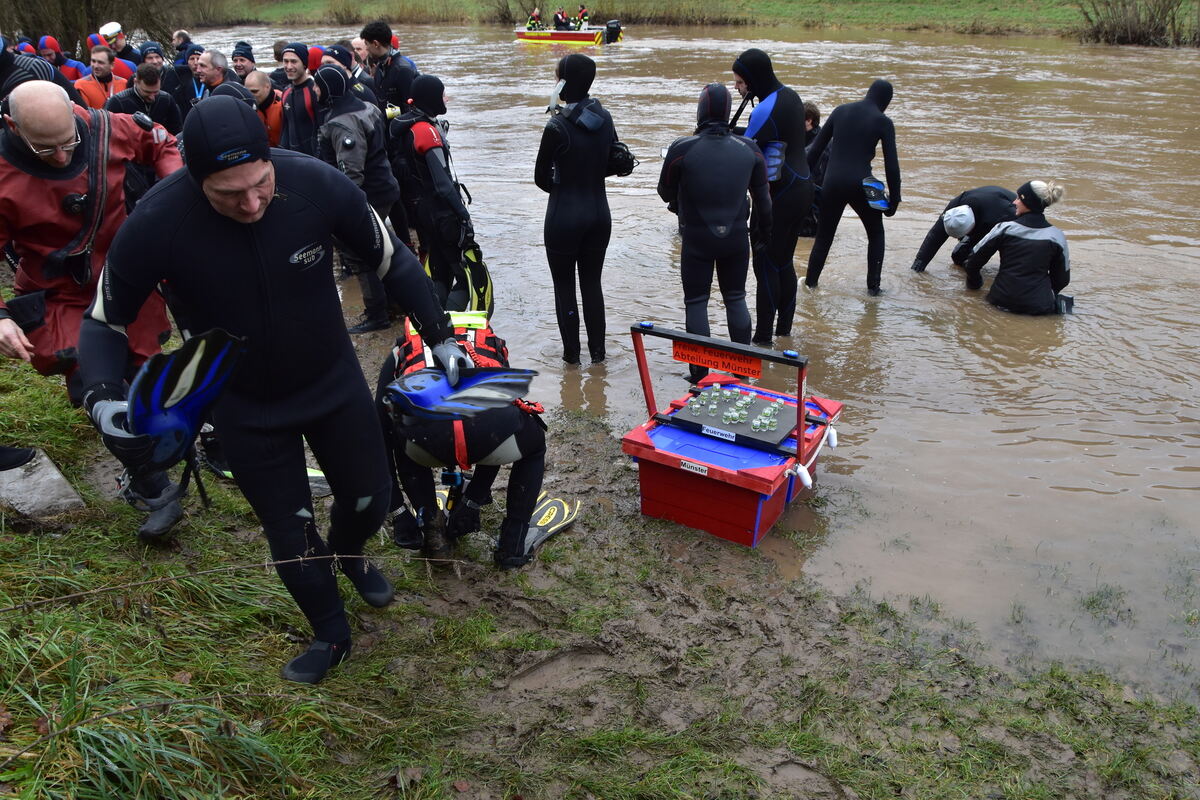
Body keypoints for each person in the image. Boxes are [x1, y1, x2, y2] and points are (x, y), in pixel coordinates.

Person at [76, 96, 471, 684]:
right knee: (290, 529)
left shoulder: (317, 184)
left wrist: (441, 336)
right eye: (229, 194)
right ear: (196, 179)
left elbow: (394, 262)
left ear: (271, 159)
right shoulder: (157, 221)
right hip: (243, 404)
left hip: (332, 382)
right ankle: (331, 634)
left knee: (370, 498)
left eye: (261, 184)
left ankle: (351, 555)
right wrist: (104, 397)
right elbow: (103, 323)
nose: (252, 204)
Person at [0, 81, 182, 533]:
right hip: (59, 292)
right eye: (46, 149)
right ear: (12, 127)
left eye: (68, 143)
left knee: (144, 373)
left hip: (124, 277)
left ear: (75, 113)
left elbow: (163, 144)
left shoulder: (107, 128)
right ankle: (152, 483)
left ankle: (165, 445)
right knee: (96, 383)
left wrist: (172, 195)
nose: (62, 157)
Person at [376, 312, 547, 567]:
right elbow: (501, 412)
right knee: (532, 444)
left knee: (400, 430)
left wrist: (398, 511)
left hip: (424, 442)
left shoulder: (401, 348)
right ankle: (513, 545)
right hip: (487, 434)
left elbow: (379, 433)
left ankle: (432, 530)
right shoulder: (490, 342)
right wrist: (473, 501)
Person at [659, 83, 772, 382]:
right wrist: (763, 236)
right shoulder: (750, 149)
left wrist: (684, 191)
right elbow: (764, 203)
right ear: (726, 111)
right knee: (736, 298)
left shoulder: (682, 148)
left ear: (701, 110)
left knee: (696, 302)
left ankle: (699, 376)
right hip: (736, 238)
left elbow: (664, 191)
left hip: (697, 238)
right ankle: (741, 374)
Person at [535, 54, 615, 364]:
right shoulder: (605, 118)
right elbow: (613, 161)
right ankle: (599, 359)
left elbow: (540, 178)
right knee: (592, 285)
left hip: (564, 215)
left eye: (557, 78)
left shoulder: (556, 125)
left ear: (564, 84)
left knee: (564, 286)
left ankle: (571, 362)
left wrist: (564, 184)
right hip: (599, 214)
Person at [730, 48, 814, 341]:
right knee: (783, 261)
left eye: (740, 82)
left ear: (754, 79)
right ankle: (784, 333)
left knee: (765, 262)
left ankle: (763, 339)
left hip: (780, 194)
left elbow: (744, 149)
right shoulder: (790, 97)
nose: (737, 88)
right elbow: (768, 136)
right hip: (802, 187)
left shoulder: (764, 108)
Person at [314, 64, 400, 334]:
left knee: (360, 253)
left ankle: (377, 314)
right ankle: (395, 303)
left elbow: (351, 173)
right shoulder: (366, 107)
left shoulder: (342, 123)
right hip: (383, 188)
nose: (314, 90)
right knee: (381, 247)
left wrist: (345, 210)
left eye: (317, 86)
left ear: (328, 89)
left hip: (368, 194)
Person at [804, 79, 900, 296]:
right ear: (886, 101)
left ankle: (810, 285)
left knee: (824, 238)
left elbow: (815, 150)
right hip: (863, 183)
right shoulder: (883, 121)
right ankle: (873, 289)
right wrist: (894, 199)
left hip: (832, 183)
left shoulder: (841, 111)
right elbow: (891, 165)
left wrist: (804, 180)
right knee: (876, 233)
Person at [392, 75, 475, 309]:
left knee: (440, 272)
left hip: (422, 210)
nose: (445, 99)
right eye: (442, 94)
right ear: (431, 98)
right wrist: (463, 216)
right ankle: (449, 324)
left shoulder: (407, 125)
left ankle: (436, 323)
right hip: (441, 213)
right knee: (464, 278)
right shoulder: (425, 132)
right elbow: (442, 184)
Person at [963, 180, 1069, 315]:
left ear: (1028, 202)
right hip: (1039, 308)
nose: (1014, 202)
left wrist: (975, 286)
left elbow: (972, 263)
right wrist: (1046, 294)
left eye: (1019, 198)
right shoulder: (1057, 236)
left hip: (999, 302)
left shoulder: (1003, 229)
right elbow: (1062, 280)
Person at [910, 185, 1017, 272]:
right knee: (959, 256)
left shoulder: (1001, 217)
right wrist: (920, 262)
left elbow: (1011, 244)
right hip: (983, 210)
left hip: (1005, 214)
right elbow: (935, 235)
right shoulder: (954, 210)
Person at [359, 21, 417, 113]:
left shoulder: (402, 69)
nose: (366, 48)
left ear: (376, 44)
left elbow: (410, 108)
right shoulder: (380, 67)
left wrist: (387, 115)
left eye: (367, 44)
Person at [278, 42, 318, 156]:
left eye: (294, 61)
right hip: (293, 157)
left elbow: (322, 129)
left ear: (304, 64)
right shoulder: (286, 92)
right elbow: (285, 128)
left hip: (314, 158)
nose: (289, 66)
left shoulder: (314, 90)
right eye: (286, 61)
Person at [244, 70, 283, 146]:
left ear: (267, 87)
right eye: (247, 92)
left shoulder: (283, 104)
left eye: (254, 91)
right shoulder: (247, 105)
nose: (251, 96)